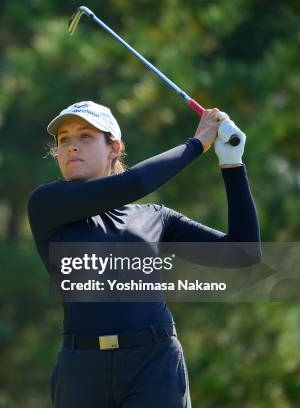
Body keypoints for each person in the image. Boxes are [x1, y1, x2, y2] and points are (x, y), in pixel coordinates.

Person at [26, 101, 261, 407]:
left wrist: (232, 164)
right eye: (64, 139)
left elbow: (243, 253)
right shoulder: (46, 204)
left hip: (154, 364)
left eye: (85, 136)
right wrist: (196, 145)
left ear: (114, 148)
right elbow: (133, 183)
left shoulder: (157, 218)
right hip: (81, 369)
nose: (71, 147)